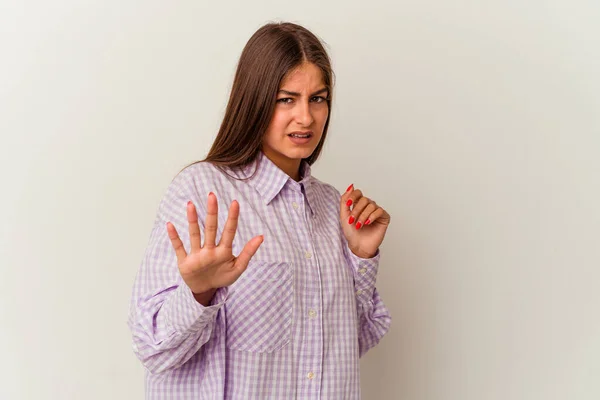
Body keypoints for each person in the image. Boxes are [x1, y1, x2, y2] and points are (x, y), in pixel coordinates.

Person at [128, 21, 392, 399]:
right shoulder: (203, 192)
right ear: (255, 100)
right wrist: (199, 294)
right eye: (287, 99)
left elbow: (349, 348)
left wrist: (360, 256)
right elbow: (152, 348)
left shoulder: (331, 205)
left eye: (317, 98)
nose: (306, 117)